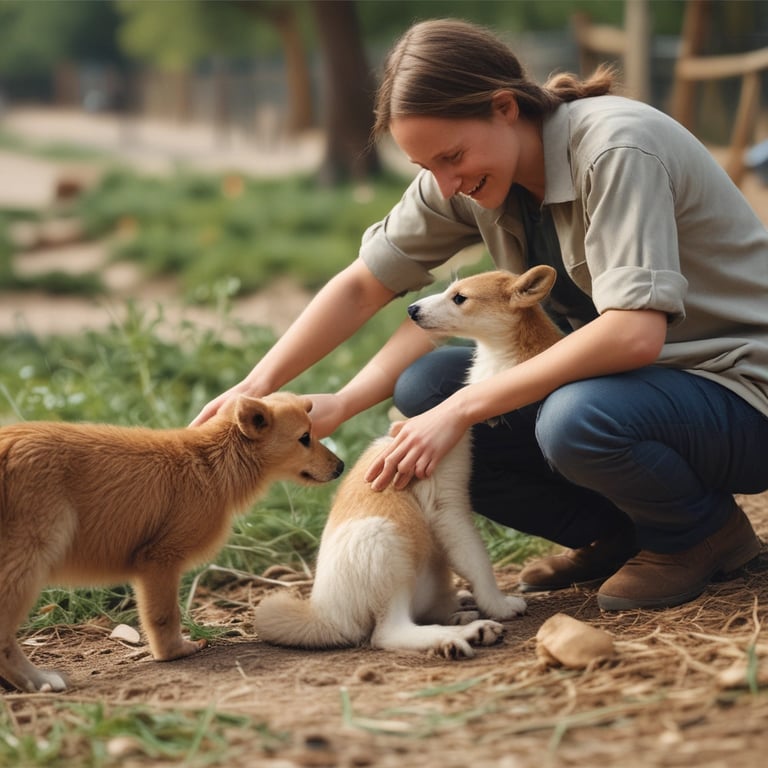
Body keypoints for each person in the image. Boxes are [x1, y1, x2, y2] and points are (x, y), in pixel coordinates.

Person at [193, 18, 768, 611]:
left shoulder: (615, 149)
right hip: (641, 393)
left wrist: (461, 409)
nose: (447, 185)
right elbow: (364, 285)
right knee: (425, 389)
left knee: (568, 417)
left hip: (741, 393)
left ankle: (697, 534)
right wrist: (266, 388)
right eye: (427, 168)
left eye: (452, 157)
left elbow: (633, 333)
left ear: (504, 107)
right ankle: (621, 534)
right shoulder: (473, 174)